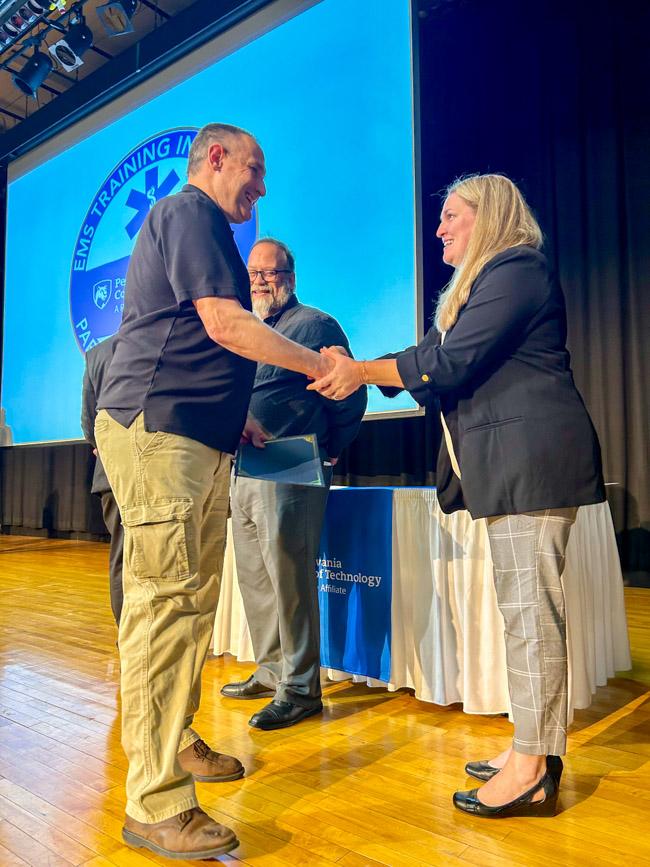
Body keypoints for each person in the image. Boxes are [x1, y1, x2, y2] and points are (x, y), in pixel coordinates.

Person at [308, 173, 605, 819]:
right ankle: (533, 748)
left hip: (532, 467)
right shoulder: (496, 280)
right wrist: (363, 367)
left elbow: (449, 362)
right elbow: (436, 353)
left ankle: (532, 766)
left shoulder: (516, 267)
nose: (439, 228)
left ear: (491, 214)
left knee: (531, 616)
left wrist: (357, 371)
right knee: (523, 614)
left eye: (452, 216)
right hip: (513, 470)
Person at [94, 123, 333, 861]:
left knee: (191, 605)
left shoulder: (206, 230)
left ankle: (177, 737)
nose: (261, 188)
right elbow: (224, 325)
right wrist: (318, 363)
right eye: (255, 170)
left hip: (197, 438)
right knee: (165, 607)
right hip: (159, 433)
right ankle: (157, 801)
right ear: (218, 158)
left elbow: (197, 340)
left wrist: (243, 420)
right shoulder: (190, 210)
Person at [221, 238, 367, 730]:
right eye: (254, 273)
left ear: (291, 277)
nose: (261, 280)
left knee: (290, 580)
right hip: (243, 466)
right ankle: (270, 671)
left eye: (271, 273)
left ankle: (301, 689)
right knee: (255, 578)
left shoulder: (316, 325)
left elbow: (348, 397)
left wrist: (329, 447)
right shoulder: (247, 329)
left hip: (292, 464)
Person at [81, 334, 123, 627]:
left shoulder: (97, 352)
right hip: (146, 472)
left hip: (109, 473)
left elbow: (88, 421)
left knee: (121, 557)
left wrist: (104, 445)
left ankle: (127, 634)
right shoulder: (159, 346)